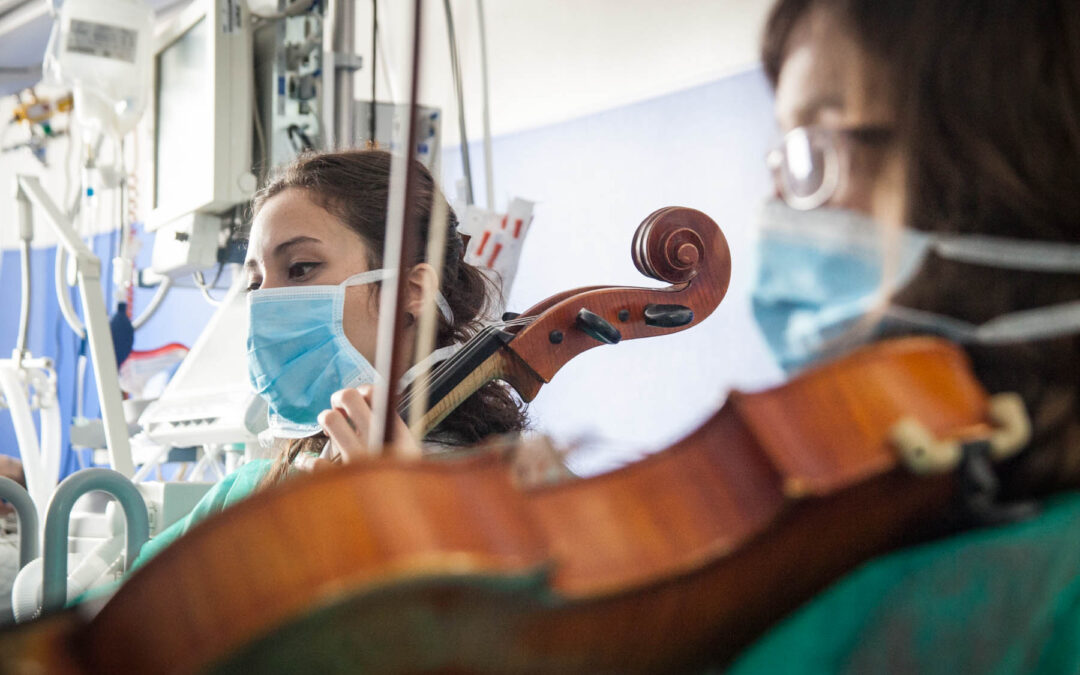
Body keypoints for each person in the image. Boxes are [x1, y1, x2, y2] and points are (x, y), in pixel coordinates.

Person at [732, 0, 1080, 671]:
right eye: (785, 159)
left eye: (815, 150)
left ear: (1002, 169)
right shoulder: (919, 503)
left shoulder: (1048, 601)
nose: (777, 209)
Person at [129, 149, 528, 568]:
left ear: (411, 291)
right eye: (254, 282)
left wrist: (409, 530)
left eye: (300, 268)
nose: (265, 301)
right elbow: (124, 602)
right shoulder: (250, 492)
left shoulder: (506, 496)